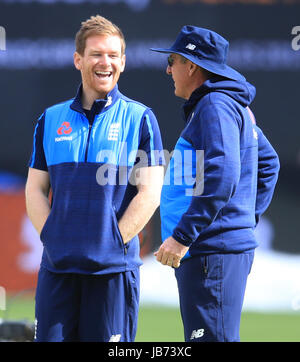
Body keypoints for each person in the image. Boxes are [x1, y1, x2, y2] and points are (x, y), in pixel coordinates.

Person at [25, 15, 164, 342]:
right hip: (57, 271)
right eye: (97, 54)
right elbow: (35, 188)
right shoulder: (50, 119)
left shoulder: (141, 119)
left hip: (112, 274)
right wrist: (52, 236)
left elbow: (150, 192)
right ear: (79, 60)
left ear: (124, 62)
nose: (106, 62)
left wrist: (114, 242)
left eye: (114, 55)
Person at [151, 26, 280, 342]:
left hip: (210, 250)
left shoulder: (214, 105)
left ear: (191, 66)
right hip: (214, 250)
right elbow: (269, 163)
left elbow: (222, 173)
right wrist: (242, 221)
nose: (168, 69)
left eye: (172, 60)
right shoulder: (230, 105)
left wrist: (183, 236)